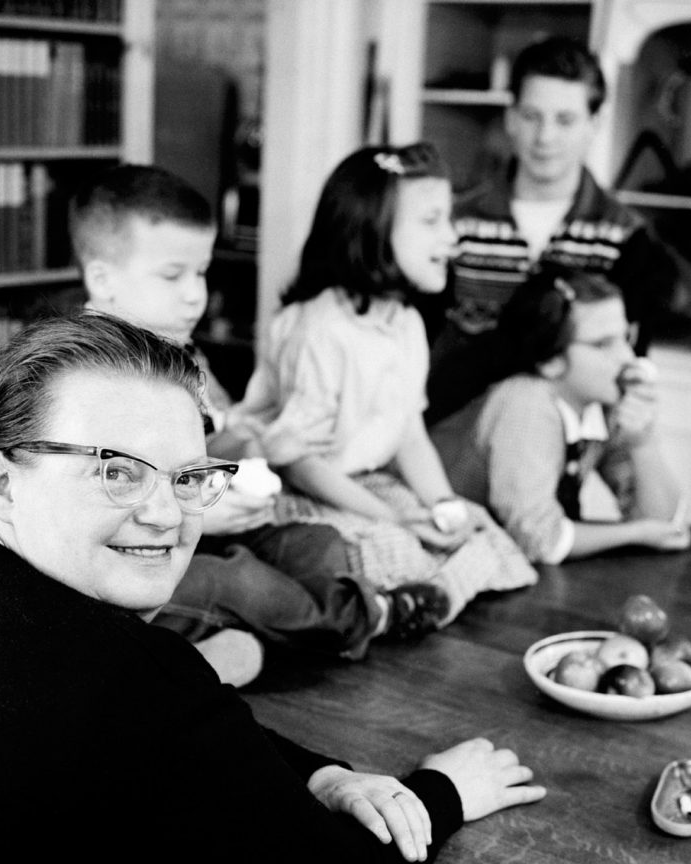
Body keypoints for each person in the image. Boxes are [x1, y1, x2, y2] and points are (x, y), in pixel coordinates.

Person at [0, 313, 546, 864]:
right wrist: (443, 789)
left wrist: (320, 773)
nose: (163, 514)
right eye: (115, 471)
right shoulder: (131, 683)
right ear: (4, 480)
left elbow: (189, 751)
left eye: (188, 478)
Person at [68, 164, 449, 685]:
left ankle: (279, 645)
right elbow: (87, 510)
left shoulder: (180, 352)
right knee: (233, 580)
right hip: (122, 566)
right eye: (172, 275)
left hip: (194, 530)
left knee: (316, 544)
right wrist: (194, 515)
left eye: (201, 273)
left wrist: (248, 441)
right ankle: (362, 619)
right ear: (103, 279)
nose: (194, 295)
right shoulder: (82, 376)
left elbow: (206, 443)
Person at [223, 143, 539, 621]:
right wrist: (393, 517)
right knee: (396, 545)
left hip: (363, 482)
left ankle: (412, 600)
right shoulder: (319, 329)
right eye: (431, 221)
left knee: (482, 533)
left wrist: (442, 504)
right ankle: (400, 603)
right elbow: (297, 463)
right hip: (304, 491)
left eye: (448, 219)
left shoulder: (407, 323)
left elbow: (408, 434)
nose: (451, 237)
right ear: (372, 229)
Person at [424, 35, 669, 425]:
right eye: (531, 116)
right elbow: (417, 348)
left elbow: (629, 366)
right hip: (454, 435)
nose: (545, 138)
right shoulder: (454, 224)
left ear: (595, 124)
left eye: (565, 119)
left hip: (566, 443)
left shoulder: (627, 239)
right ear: (510, 118)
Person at [431, 271, 690, 562]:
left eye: (626, 336)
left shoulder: (601, 404)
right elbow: (538, 539)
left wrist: (643, 442)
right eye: (603, 344)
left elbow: (665, 525)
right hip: (437, 551)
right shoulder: (526, 403)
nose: (627, 357)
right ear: (549, 360)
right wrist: (634, 533)